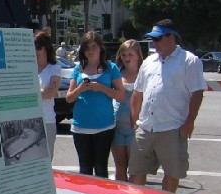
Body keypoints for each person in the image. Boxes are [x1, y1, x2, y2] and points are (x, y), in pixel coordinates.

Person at [129, 19, 206, 193]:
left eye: (157, 39)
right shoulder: (149, 61)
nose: (154, 43)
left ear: (171, 37)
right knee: (135, 172)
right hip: (145, 127)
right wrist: (134, 120)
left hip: (173, 127)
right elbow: (137, 92)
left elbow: (197, 92)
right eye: (152, 39)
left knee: (172, 173)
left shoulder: (189, 61)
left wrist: (190, 121)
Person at [65, 31, 125, 177]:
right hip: (81, 126)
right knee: (84, 170)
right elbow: (69, 98)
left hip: (104, 126)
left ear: (100, 48)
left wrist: (102, 88)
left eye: (94, 46)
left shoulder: (111, 68)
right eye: (87, 47)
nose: (90, 51)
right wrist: (80, 89)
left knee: (100, 169)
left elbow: (121, 95)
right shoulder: (78, 69)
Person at [111, 40, 143, 182]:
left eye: (130, 54)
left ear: (138, 56)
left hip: (135, 127)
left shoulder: (144, 73)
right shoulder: (116, 73)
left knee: (135, 169)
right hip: (117, 125)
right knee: (120, 167)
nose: (126, 57)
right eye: (123, 55)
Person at [34, 31, 61, 159]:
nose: (35, 50)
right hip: (28, 123)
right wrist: (41, 92)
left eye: (38, 46)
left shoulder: (54, 68)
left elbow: (50, 93)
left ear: (46, 48)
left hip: (47, 121)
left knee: (46, 165)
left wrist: (29, 94)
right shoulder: (28, 67)